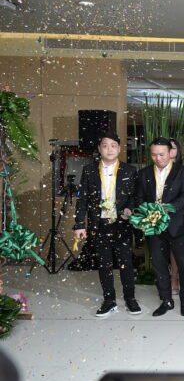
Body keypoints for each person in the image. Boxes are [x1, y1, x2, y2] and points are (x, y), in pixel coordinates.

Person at [73, 132, 141, 317]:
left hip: (122, 224)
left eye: (113, 146)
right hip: (99, 224)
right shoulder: (89, 170)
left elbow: (135, 197)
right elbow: (83, 199)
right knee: (104, 264)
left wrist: (130, 210)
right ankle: (109, 300)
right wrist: (79, 224)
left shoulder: (129, 170)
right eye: (105, 145)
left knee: (126, 263)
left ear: (119, 148)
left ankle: (130, 299)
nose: (109, 149)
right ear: (99, 149)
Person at [135, 137, 184, 317]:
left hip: (178, 226)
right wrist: (148, 214)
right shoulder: (144, 173)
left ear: (170, 152)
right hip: (154, 227)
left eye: (161, 154)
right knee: (159, 265)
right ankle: (166, 300)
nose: (158, 158)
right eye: (154, 155)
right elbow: (139, 198)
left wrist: (164, 209)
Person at [169, 138, 183, 297]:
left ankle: (175, 279)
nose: (170, 151)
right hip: (157, 217)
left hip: (178, 217)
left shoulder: (183, 170)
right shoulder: (154, 169)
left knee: (176, 252)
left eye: (173, 148)